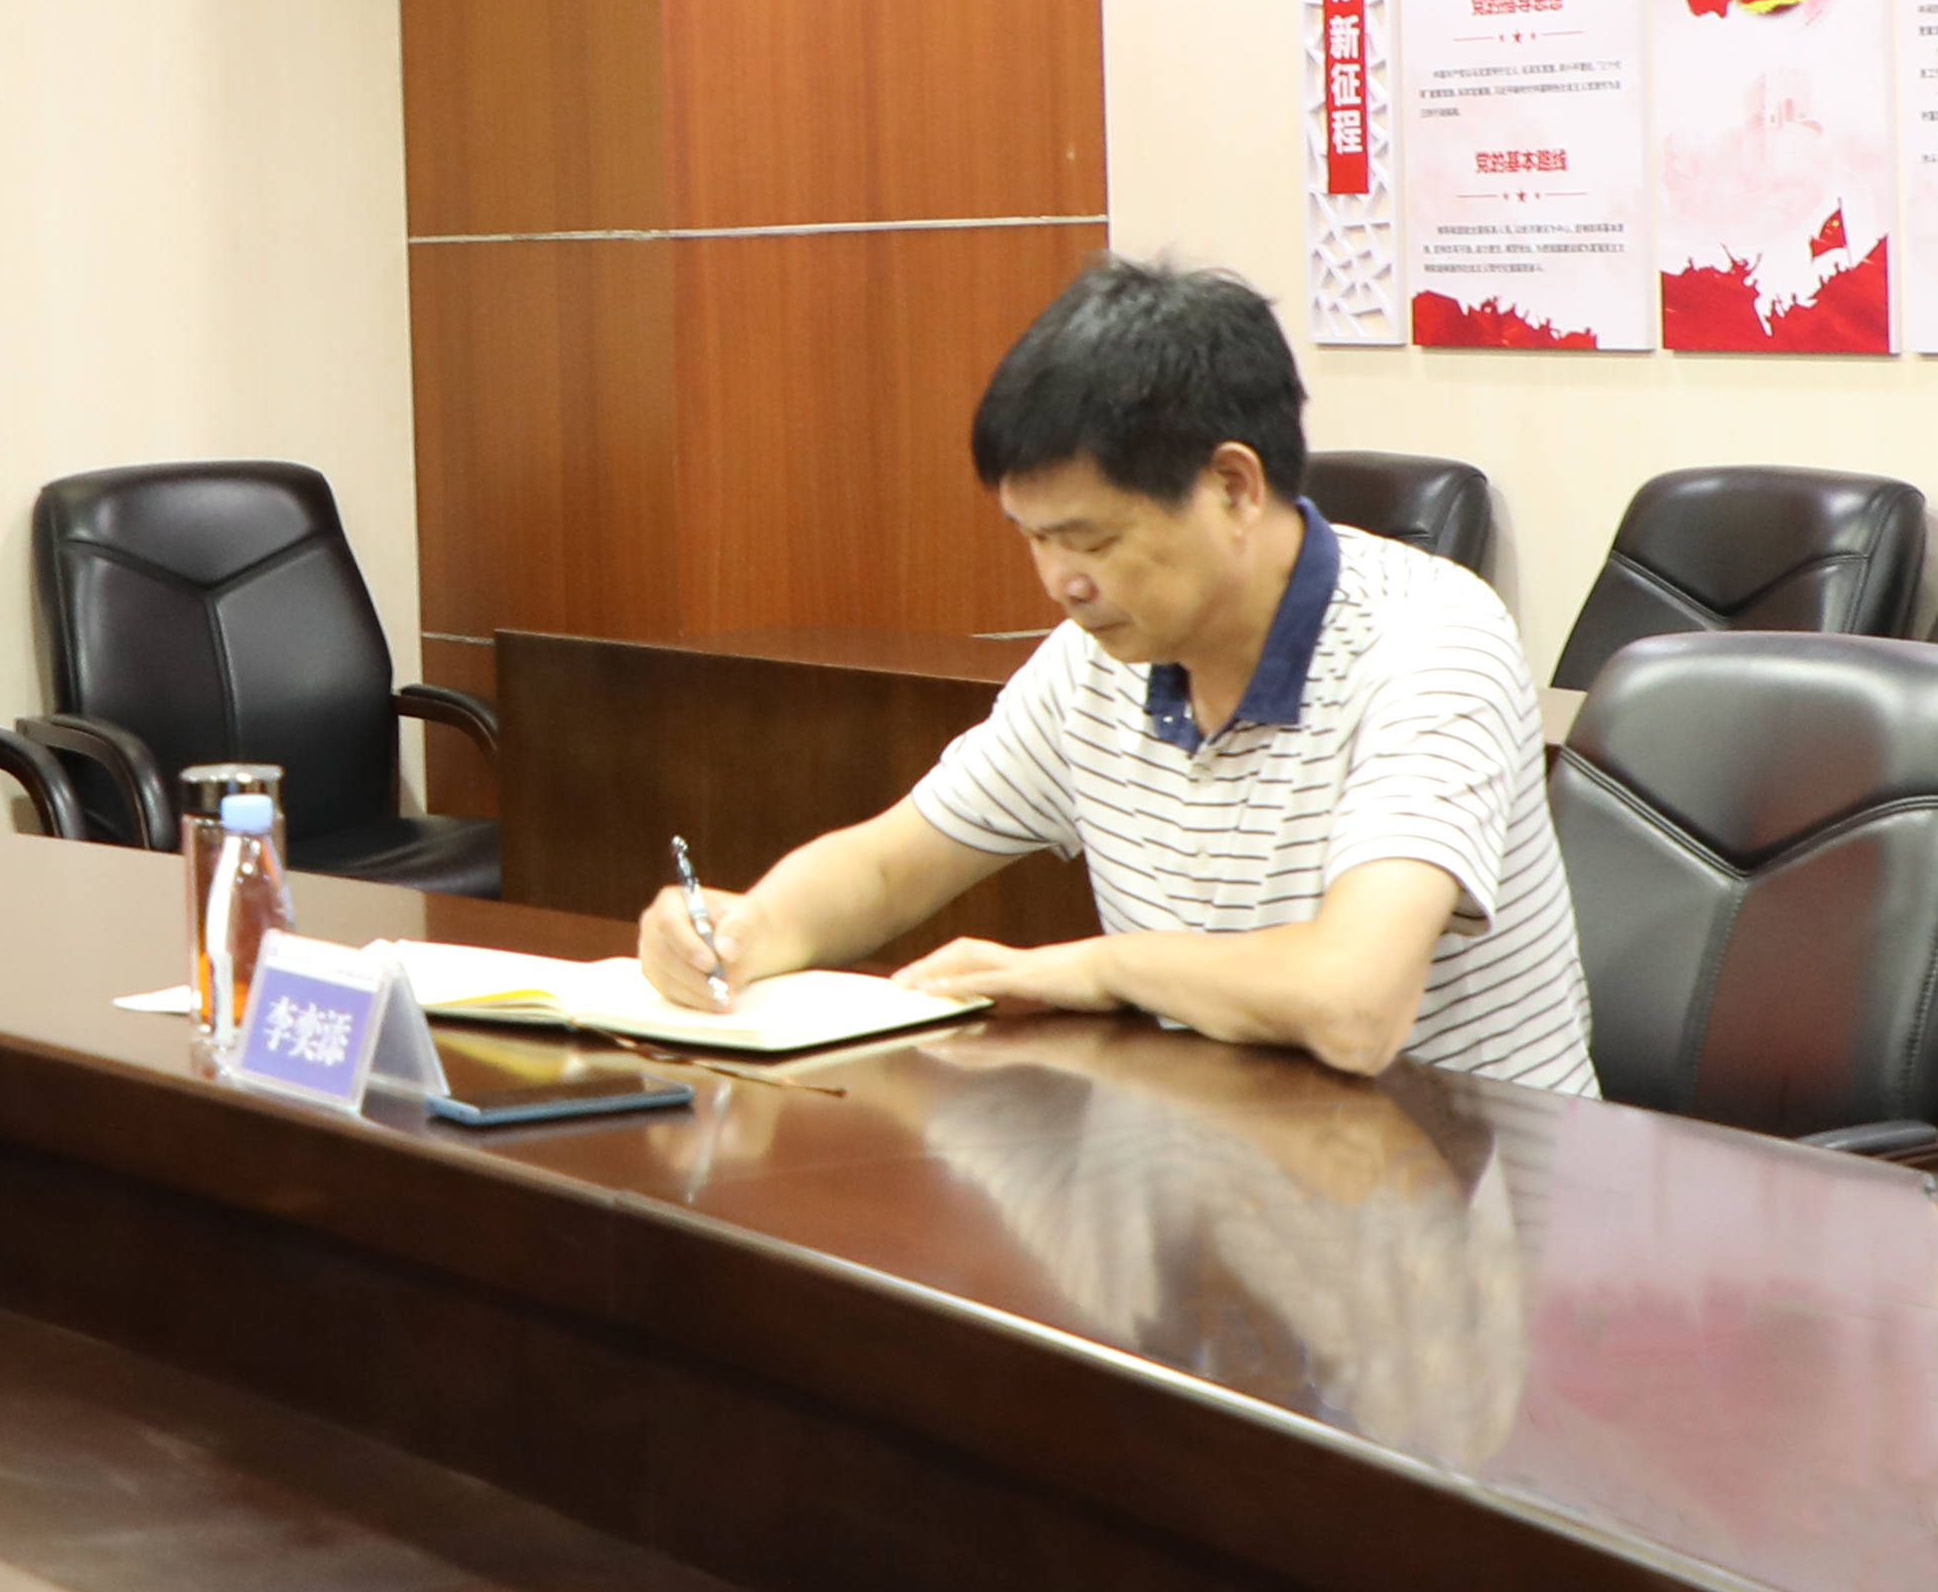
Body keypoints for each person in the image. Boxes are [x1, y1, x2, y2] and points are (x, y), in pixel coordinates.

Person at [637, 257, 1595, 1094]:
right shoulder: (1096, 661)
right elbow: (888, 866)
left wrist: (1100, 968)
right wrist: (748, 929)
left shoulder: (1430, 640)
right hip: (1229, 1166)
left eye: (1092, 539)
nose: (1062, 582)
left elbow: (1354, 1004)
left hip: (1475, 1187)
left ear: (1233, 486)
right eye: (1034, 539)